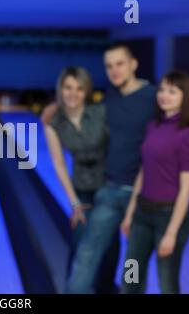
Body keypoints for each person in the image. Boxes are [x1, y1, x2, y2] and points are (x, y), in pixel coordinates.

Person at [66, 43, 158, 293]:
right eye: (109, 66)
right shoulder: (111, 98)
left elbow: (176, 126)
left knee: (133, 267)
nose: (114, 70)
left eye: (119, 64)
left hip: (141, 195)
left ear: (133, 65)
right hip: (108, 190)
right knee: (86, 256)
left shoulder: (153, 97)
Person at [120, 70, 189, 293]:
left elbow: (186, 190)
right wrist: (130, 213)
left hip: (168, 217)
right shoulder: (153, 126)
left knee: (167, 284)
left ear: (185, 97)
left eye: (172, 91)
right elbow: (143, 172)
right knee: (130, 275)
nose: (164, 95)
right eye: (163, 90)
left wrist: (171, 233)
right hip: (142, 214)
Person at [44, 66, 119, 293]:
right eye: (68, 87)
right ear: (61, 90)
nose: (73, 93)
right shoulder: (53, 123)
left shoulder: (101, 113)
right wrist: (74, 202)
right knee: (78, 248)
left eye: (79, 88)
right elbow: (58, 164)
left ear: (86, 91)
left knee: (110, 249)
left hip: (108, 186)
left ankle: (105, 289)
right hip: (82, 190)